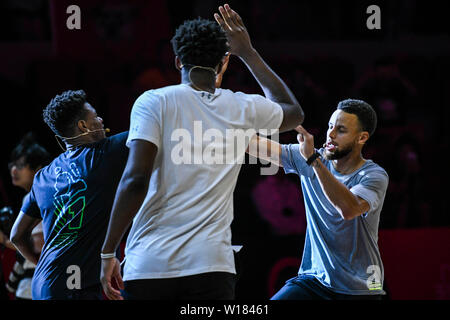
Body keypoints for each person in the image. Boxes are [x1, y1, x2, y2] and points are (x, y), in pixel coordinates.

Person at [100, 4, 304, 300]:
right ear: (224, 62)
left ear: (177, 61)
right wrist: (247, 52)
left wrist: (108, 250)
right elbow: (294, 113)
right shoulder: (242, 107)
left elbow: (135, 180)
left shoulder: (153, 101)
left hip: (150, 264)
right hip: (212, 266)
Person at [249, 99, 389, 300]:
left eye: (341, 130)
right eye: (330, 126)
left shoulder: (374, 175)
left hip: (361, 286)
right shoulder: (312, 158)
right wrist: (221, 119)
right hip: (314, 280)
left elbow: (349, 209)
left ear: (362, 138)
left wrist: (313, 162)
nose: (330, 134)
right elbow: (253, 145)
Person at [10, 90, 129, 300]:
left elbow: (17, 235)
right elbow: (150, 130)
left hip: (44, 282)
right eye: (96, 117)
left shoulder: (43, 176)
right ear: (83, 126)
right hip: (72, 286)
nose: (101, 120)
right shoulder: (105, 154)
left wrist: (45, 266)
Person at [2, 133, 50, 299]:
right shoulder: (32, 197)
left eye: (20, 165)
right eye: (12, 165)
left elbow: (38, 244)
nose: (13, 170)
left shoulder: (39, 198)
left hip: (36, 282)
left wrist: (4, 241)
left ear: (37, 169)